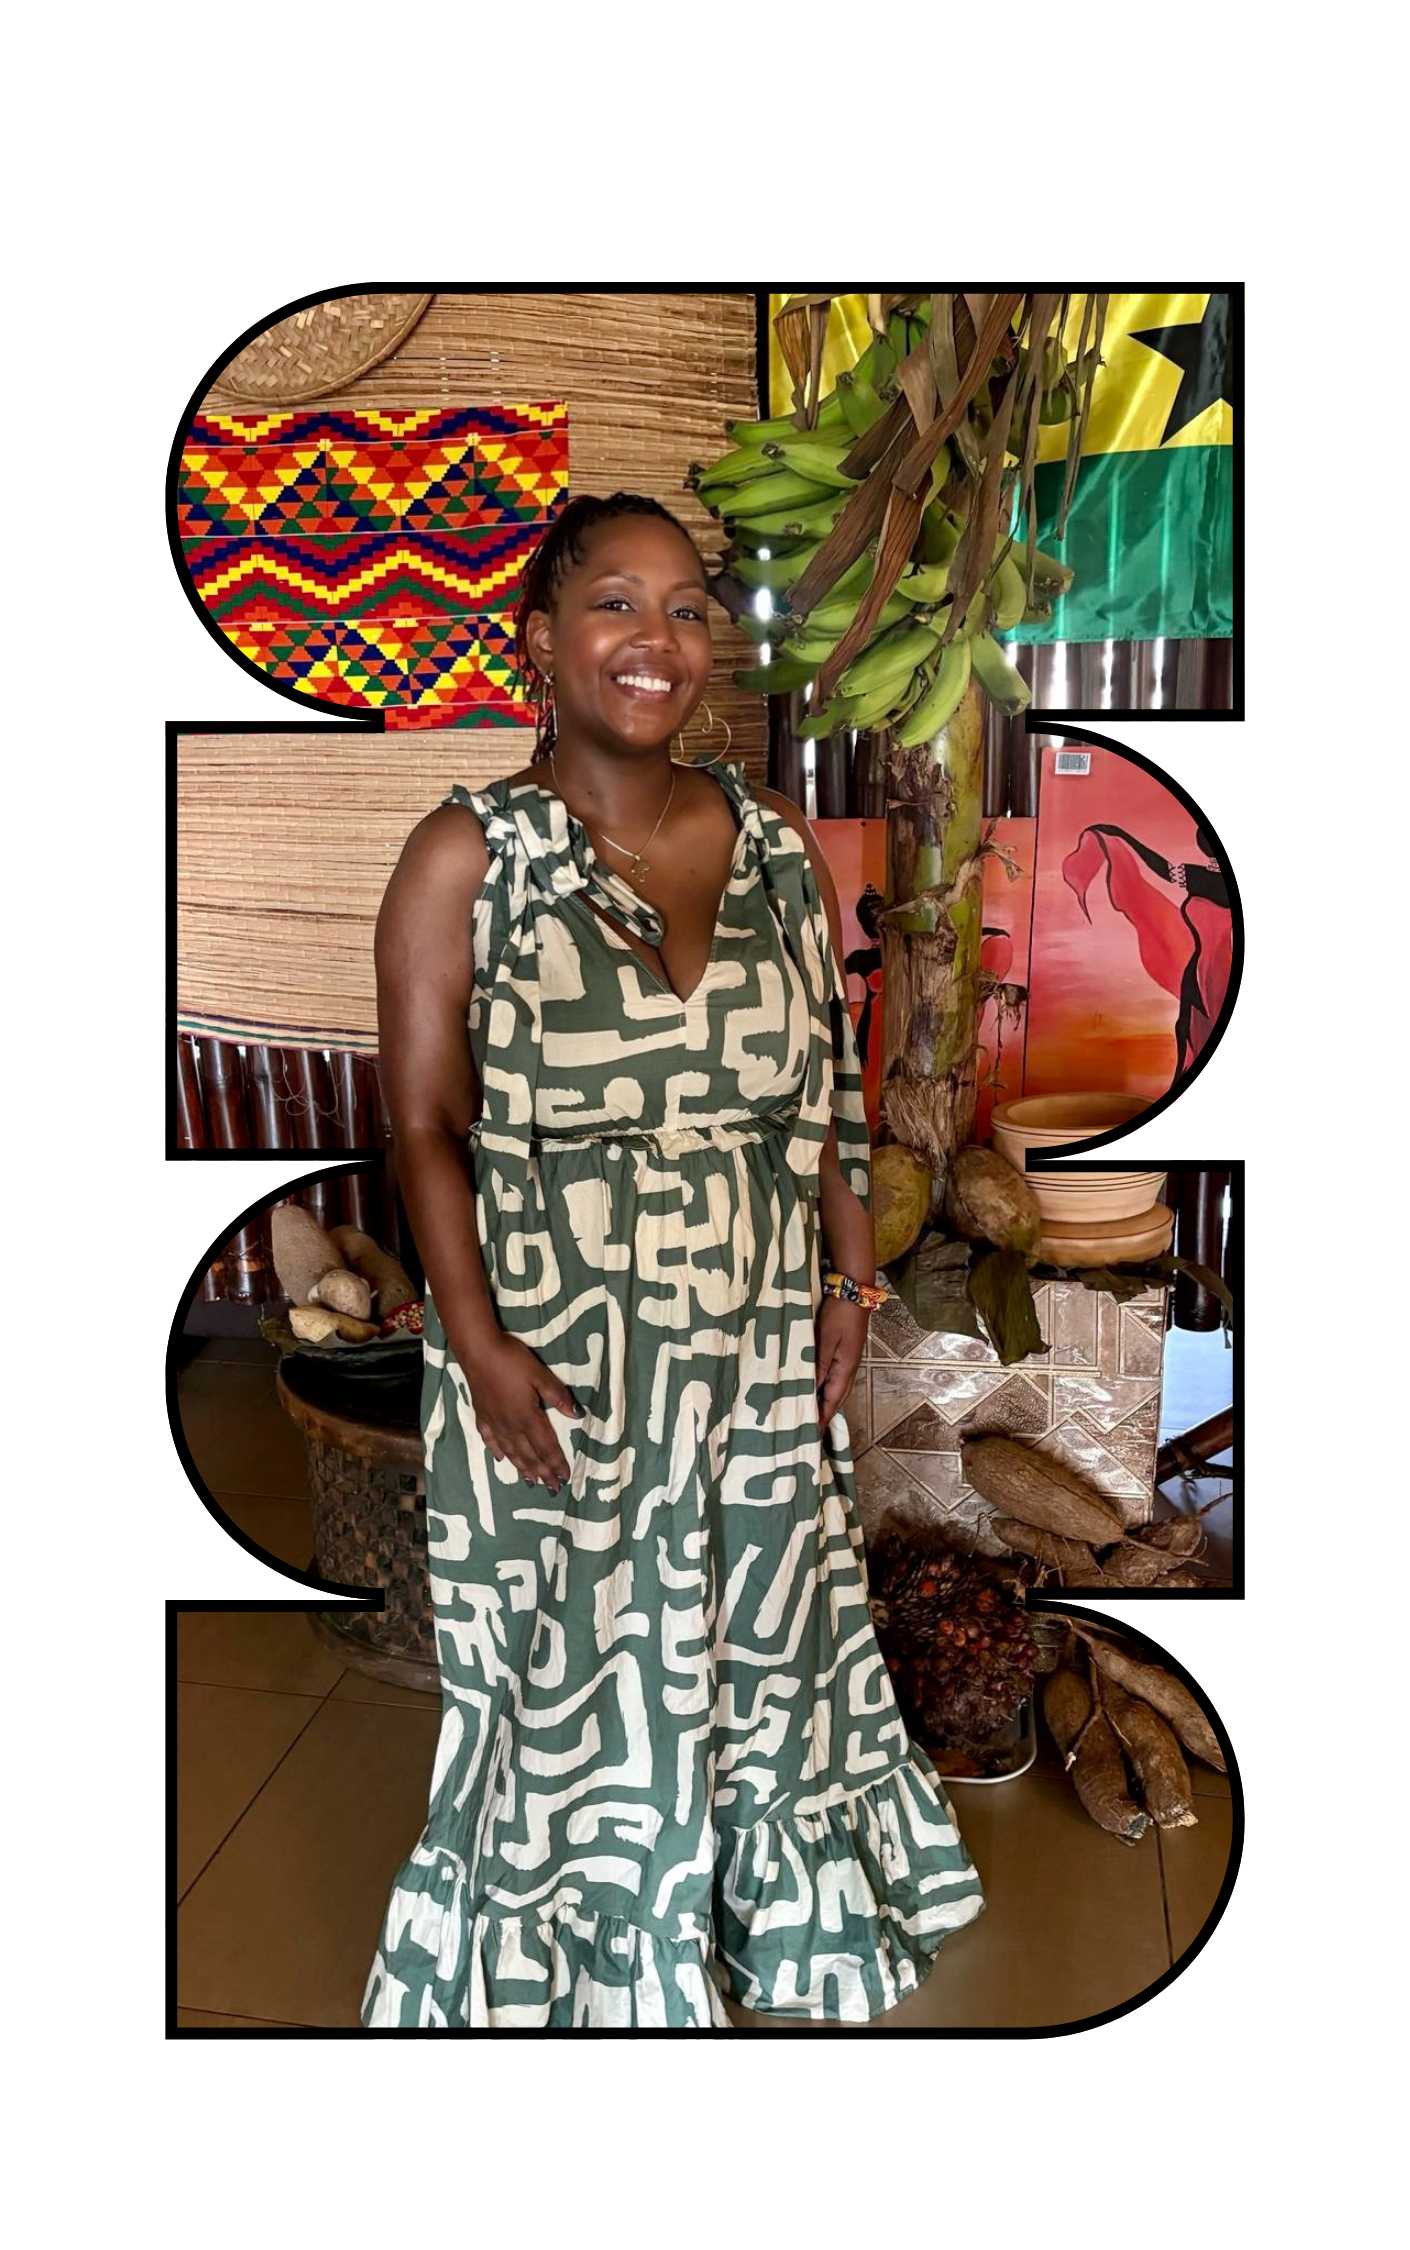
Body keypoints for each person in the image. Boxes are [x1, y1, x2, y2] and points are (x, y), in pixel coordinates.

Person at [361, 493, 985, 2033]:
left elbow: (819, 1095)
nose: (660, 639)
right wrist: (475, 1337)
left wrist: (848, 1283)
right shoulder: (462, 857)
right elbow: (426, 1124)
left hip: (762, 1325)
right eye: (616, 603)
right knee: (581, 1652)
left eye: (690, 607)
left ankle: (766, 1898)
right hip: (557, 1338)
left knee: (759, 1621)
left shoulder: (772, 846)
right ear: (539, 641)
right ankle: (580, 1938)